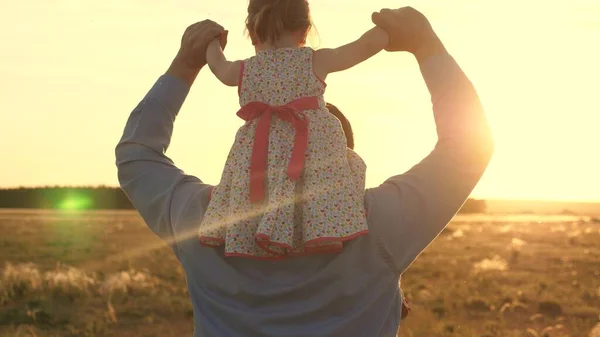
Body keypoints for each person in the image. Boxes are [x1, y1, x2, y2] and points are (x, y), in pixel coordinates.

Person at [115, 6, 494, 337]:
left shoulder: (203, 226)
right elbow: (466, 150)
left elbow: (137, 155)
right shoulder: (378, 225)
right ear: (344, 163)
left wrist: (185, 65)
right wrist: (427, 46)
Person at [199, 0, 389, 258]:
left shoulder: (244, 69)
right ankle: (317, 229)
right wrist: (388, 28)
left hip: (260, 151)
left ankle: (258, 231)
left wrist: (212, 42)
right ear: (305, 30)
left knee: (261, 189)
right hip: (310, 149)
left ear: (251, 31)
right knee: (315, 181)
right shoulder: (315, 60)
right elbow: (362, 47)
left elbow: (218, 67)